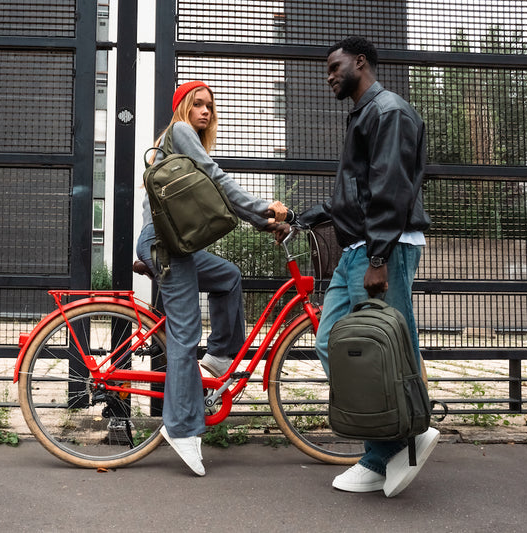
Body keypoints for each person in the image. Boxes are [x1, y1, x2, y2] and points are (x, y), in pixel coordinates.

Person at [295, 37, 439, 497]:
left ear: (360, 62)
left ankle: (386, 449)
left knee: (382, 350)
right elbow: (355, 194)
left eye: (334, 66)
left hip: (381, 250)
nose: (329, 76)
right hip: (359, 248)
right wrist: (299, 219)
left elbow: (390, 188)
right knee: (331, 342)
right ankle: (400, 433)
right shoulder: (365, 114)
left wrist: (378, 256)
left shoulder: (389, 112)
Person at [136, 80, 287, 476]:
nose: (205, 112)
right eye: (197, 104)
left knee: (228, 276)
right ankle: (182, 428)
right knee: (185, 336)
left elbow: (217, 201)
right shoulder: (181, 132)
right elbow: (219, 181)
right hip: (165, 246)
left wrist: (261, 221)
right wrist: (264, 210)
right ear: (183, 107)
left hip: (175, 244)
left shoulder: (187, 143)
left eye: (209, 106)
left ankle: (219, 359)